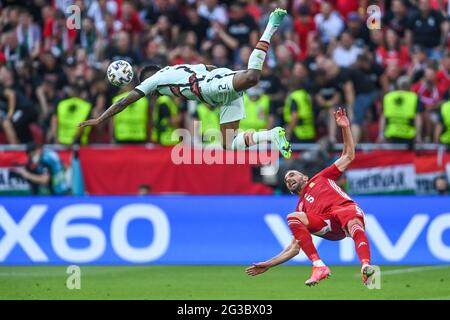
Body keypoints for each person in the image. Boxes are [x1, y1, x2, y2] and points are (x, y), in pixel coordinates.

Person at [79, 8, 292, 159]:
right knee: (229, 144)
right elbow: (206, 67)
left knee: (252, 78)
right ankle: (272, 135)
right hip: (217, 91)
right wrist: (224, 75)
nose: (150, 92)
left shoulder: (156, 79)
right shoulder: (176, 70)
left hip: (210, 87)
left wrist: (100, 119)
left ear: (147, 78)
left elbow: (125, 101)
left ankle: (270, 26)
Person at [245, 108, 375, 287]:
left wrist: (345, 127)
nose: (289, 178)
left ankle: (366, 266)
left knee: (353, 224)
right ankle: (319, 265)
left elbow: (348, 155)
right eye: (286, 179)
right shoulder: (301, 208)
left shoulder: (321, 177)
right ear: (290, 190)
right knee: (293, 217)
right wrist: (269, 264)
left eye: (292, 174)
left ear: (304, 177)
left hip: (344, 209)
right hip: (329, 226)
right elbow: (294, 247)